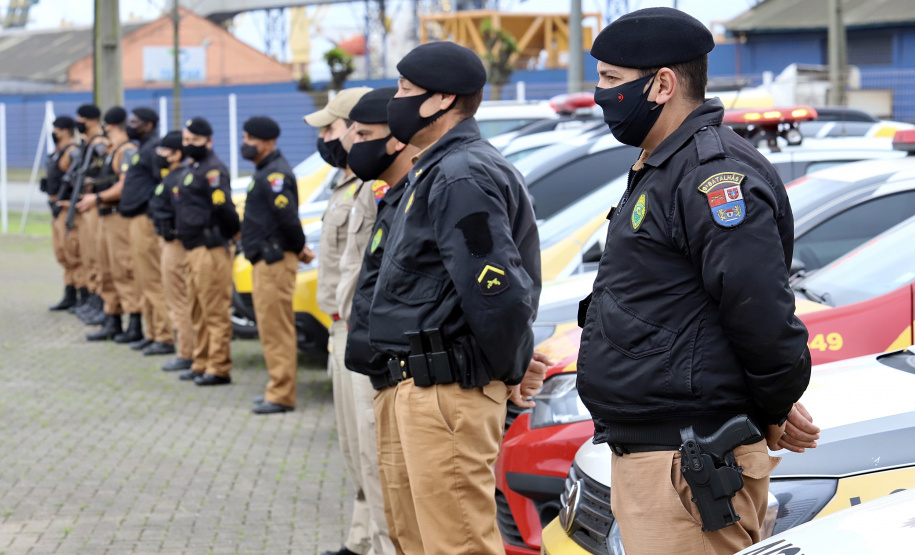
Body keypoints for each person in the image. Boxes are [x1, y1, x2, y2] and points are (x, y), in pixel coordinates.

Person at [576, 8, 819, 555]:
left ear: (662, 84)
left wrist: (774, 407)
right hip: (660, 458)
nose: (600, 94)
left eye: (611, 79)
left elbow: (760, 313)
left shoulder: (712, 175)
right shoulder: (665, 164)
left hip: (689, 466)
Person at [365, 42, 541, 554]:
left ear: (441, 99)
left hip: (447, 390)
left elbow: (497, 290)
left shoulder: (462, 173)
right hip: (415, 384)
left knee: (457, 544)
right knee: (416, 540)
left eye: (405, 89)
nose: (395, 100)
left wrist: (510, 367)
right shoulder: (435, 168)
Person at [303, 85, 376, 555]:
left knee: (371, 449)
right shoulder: (344, 184)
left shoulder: (371, 188)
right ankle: (359, 538)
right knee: (353, 448)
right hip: (337, 327)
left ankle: (374, 541)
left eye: (331, 128)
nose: (325, 138)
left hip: (356, 329)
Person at [239, 116, 311, 414]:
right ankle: (277, 388)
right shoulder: (266, 171)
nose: (245, 144)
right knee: (269, 327)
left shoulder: (275, 175)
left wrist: (298, 248)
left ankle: (281, 394)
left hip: (275, 261)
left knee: (276, 328)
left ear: (268, 142)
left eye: (250, 139)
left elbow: (288, 219)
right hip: (266, 261)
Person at [175, 117, 239, 386]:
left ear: (209, 141)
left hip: (209, 248)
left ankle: (219, 367)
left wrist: (227, 235)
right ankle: (201, 361)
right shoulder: (193, 166)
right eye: (186, 140)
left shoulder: (213, 170)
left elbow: (225, 209)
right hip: (192, 248)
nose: (189, 144)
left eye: (195, 140)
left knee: (214, 311)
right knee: (197, 310)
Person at [78, 106, 142, 342]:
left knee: (124, 269)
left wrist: (97, 197)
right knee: (106, 271)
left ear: (110, 125)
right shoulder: (110, 150)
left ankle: (134, 322)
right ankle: (112, 319)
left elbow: (125, 184)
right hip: (104, 217)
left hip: (118, 217)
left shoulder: (127, 150)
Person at [119, 107, 175, 356]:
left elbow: (162, 184)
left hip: (146, 220)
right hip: (135, 220)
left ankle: (164, 335)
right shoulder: (143, 147)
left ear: (149, 125)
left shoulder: (154, 149)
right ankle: (151, 333)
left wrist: (152, 210)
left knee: (152, 280)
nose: (130, 126)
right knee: (142, 280)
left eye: (135, 122)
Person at [149, 130, 195, 372]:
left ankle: (187, 353)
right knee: (178, 298)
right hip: (170, 242)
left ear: (177, 154)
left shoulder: (179, 179)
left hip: (176, 244)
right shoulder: (172, 177)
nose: (160, 154)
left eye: (165, 150)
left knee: (179, 299)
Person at [72, 104, 110, 326]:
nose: (79, 123)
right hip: (86, 204)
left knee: (97, 256)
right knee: (87, 255)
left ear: (93, 120)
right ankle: (93, 298)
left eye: (82, 119)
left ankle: (102, 302)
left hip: (96, 204)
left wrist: (93, 184)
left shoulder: (100, 144)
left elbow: (106, 174)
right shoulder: (87, 143)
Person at [45, 116, 83, 311]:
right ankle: (69, 293)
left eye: (56, 129)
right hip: (56, 208)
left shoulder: (72, 152)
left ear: (66, 130)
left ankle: (82, 296)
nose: (53, 133)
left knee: (72, 253)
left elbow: (79, 182)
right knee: (62, 253)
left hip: (67, 209)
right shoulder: (57, 152)